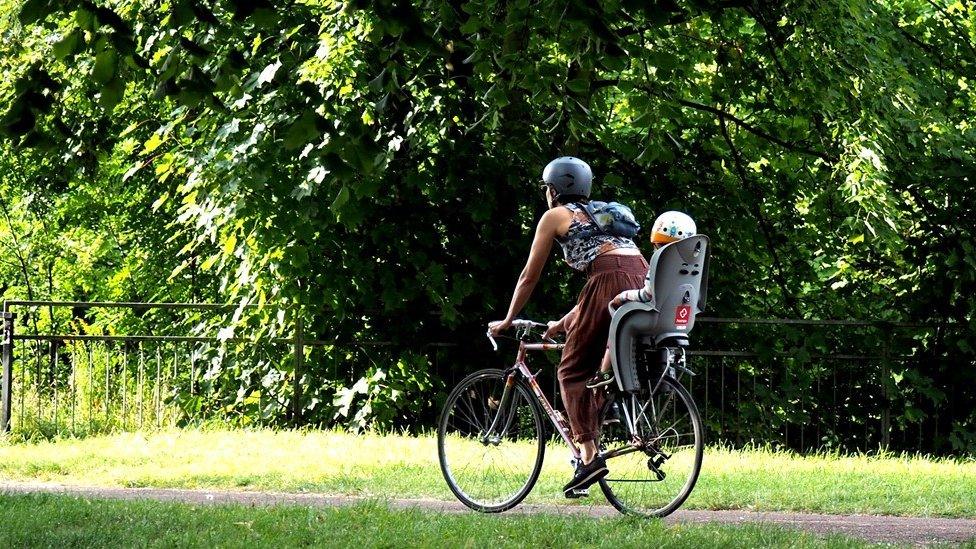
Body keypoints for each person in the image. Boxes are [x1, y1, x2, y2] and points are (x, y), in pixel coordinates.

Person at [488, 156, 647, 497]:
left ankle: (589, 457)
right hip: (643, 277)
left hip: (608, 280)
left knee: (571, 372)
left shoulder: (555, 216)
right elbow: (613, 270)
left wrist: (507, 320)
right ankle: (595, 437)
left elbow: (529, 276)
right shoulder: (603, 213)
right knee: (596, 371)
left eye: (547, 189)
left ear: (554, 190)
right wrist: (565, 321)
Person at [585, 211, 698, 389]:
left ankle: (605, 371)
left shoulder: (661, 260)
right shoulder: (693, 266)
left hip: (652, 317)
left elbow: (647, 295)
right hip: (682, 319)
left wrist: (623, 296)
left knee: (619, 318)